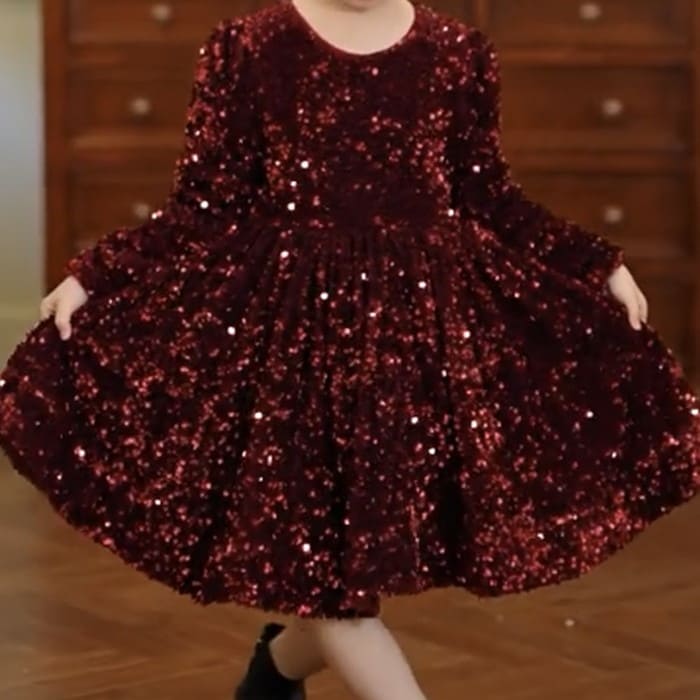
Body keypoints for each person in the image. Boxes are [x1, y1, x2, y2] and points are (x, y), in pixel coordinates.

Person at [1, 0, 699, 698]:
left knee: (334, 578)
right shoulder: (250, 46)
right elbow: (204, 203)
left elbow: (488, 196)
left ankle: (273, 675)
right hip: (293, 350)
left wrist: (595, 263)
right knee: (331, 582)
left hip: (412, 353)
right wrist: (96, 276)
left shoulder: (456, 52)